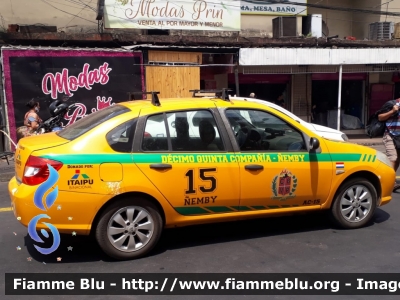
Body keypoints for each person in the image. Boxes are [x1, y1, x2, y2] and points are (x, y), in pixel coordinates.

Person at [378, 98, 400, 191]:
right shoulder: (392, 104)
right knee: (393, 158)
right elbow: (380, 117)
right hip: (390, 135)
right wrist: (392, 111)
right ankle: (390, 182)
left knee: (397, 159)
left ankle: (391, 179)